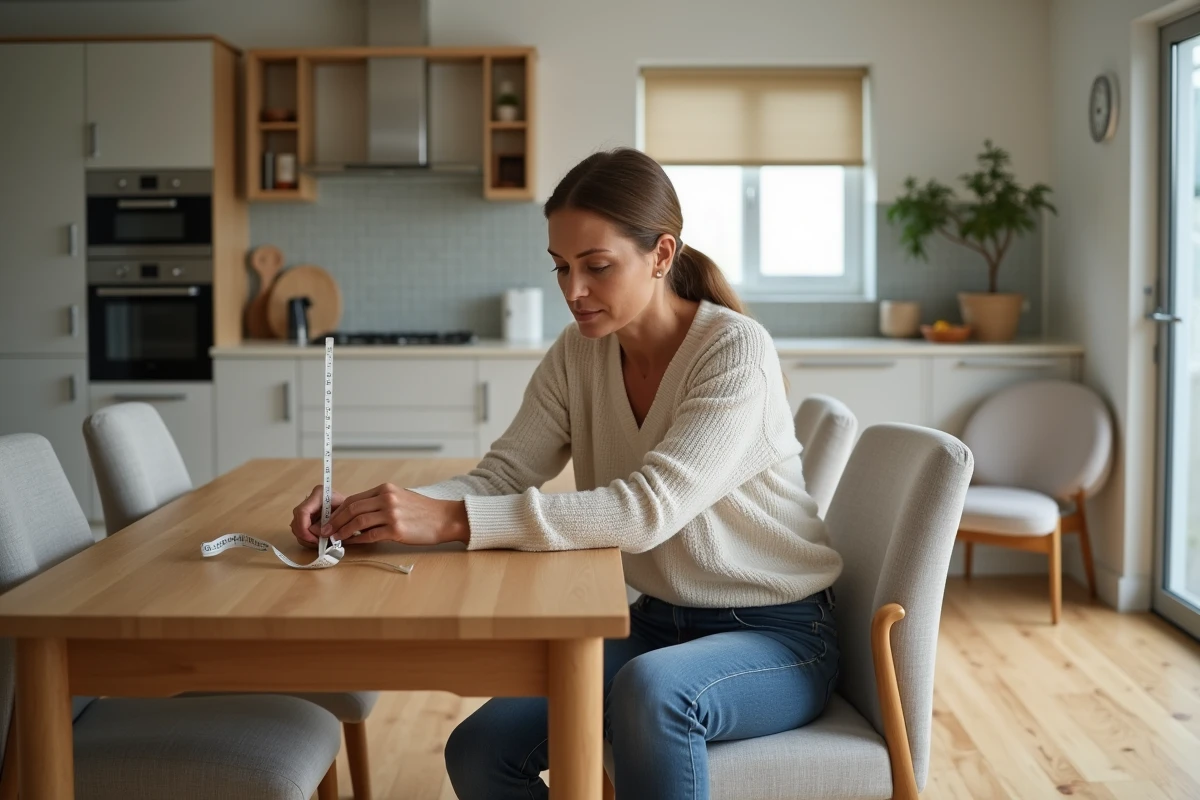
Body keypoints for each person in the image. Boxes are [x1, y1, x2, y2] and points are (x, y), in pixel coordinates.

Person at [290, 147, 843, 800]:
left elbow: (647, 510)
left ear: (662, 255)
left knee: (657, 693)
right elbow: (502, 474)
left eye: (597, 267)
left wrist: (447, 518)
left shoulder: (733, 351)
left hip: (777, 634)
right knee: (481, 752)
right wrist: (381, 512)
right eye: (561, 267)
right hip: (654, 623)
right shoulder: (579, 353)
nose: (572, 291)